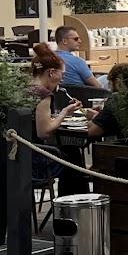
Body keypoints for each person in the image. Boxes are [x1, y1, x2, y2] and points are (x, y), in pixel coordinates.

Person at [30, 43, 93, 195]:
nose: (62, 79)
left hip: (23, 154)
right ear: (51, 73)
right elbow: (44, 132)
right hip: (37, 161)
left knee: (70, 153)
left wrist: (64, 113)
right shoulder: (44, 95)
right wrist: (64, 112)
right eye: (62, 75)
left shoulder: (27, 89)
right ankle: (72, 206)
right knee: (73, 157)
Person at [54, 25, 108, 89]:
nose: (80, 41)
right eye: (76, 39)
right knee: (106, 78)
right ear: (64, 41)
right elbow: (97, 86)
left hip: (59, 95)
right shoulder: (77, 61)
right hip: (82, 95)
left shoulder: (49, 59)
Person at [88, 64, 128, 140]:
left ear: (118, 82)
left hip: (122, 148)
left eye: (109, 84)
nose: (109, 88)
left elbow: (92, 131)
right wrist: (101, 115)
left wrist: (93, 117)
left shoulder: (116, 99)